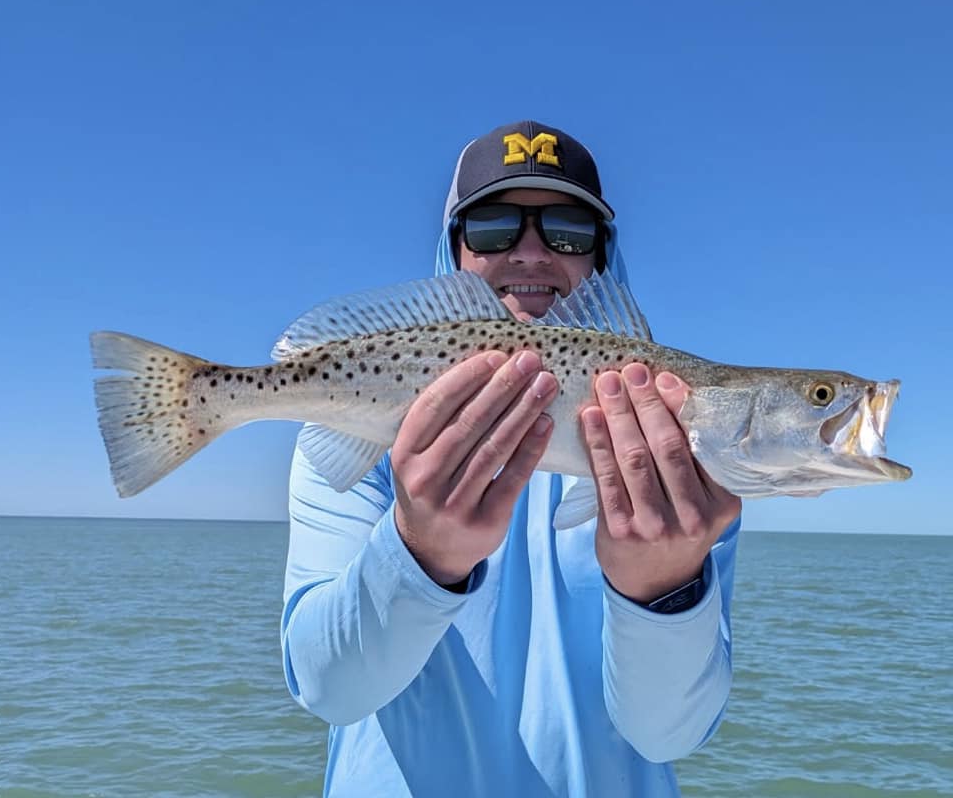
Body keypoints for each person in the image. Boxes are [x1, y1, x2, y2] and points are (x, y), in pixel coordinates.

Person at [281, 120, 742, 797]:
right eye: (495, 227)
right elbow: (329, 689)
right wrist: (419, 555)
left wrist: (662, 589)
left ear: (601, 260)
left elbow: (670, 735)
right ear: (454, 252)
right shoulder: (363, 440)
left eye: (568, 231)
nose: (531, 253)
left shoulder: (681, 463)